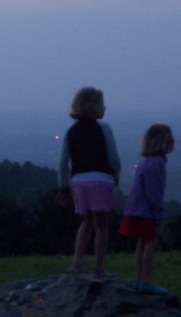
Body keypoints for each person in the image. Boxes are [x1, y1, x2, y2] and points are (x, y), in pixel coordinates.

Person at [56, 87, 121, 282]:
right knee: (102, 225)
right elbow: (114, 158)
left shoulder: (71, 131)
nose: (105, 107)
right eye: (102, 103)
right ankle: (99, 267)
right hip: (101, 179)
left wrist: (63, 188)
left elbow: (62, 162)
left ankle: (76, 263)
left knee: (86, 222)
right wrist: (115, 175)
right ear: (92, 107)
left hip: (79, 182)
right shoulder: (104, 128)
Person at [118, 124, 174, 295]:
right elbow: (154, 192)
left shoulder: (146, 162)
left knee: (141, 244)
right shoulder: (157, 163)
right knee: (150, 243)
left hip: (135, 210)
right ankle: (146, 280)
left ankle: (139, 279)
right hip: (146, 212)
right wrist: (159, 211)